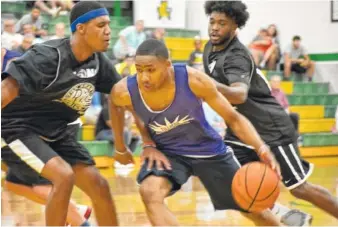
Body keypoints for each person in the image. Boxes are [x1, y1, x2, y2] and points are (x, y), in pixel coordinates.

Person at [109, 39, 282, 226]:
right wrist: (126, 146)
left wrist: (261, 147)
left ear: (167, 65)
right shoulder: (125, 90)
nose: (144, 77)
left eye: (150, 70)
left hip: (209, 150)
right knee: (149, 191)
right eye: (139, 69)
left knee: (255, 210)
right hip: (169, 152)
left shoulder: (194, 80)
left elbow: (233, 118)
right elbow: (116, 104)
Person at [202, 1, 338, 225]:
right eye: (212, 21)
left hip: (270, 128)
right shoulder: (211, 48)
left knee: (300, 188)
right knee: (233, 186)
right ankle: (289, 216)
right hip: (240, 129)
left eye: (222, 23)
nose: (215, 27)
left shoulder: (236, 57)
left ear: (235, 26)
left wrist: (204, 85)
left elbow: (239, 95)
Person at [1, 2, 130, 226]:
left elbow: (117, 99)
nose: (109, 31)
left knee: (99, 186)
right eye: (101, 25)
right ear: (80, 28)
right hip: (16, 127)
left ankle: (79, 221)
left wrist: (120, 147)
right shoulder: (48, 56)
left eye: (109, 24)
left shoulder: (99, 62)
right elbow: (6, 90)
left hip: (57, 132)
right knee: (63, 176)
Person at [1, 48, 92, 226]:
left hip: (43, 131)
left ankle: (76, 216)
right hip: (36, 130)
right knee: (14, 183)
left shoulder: (18, 70)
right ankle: (73, 211)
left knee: (41, 185)